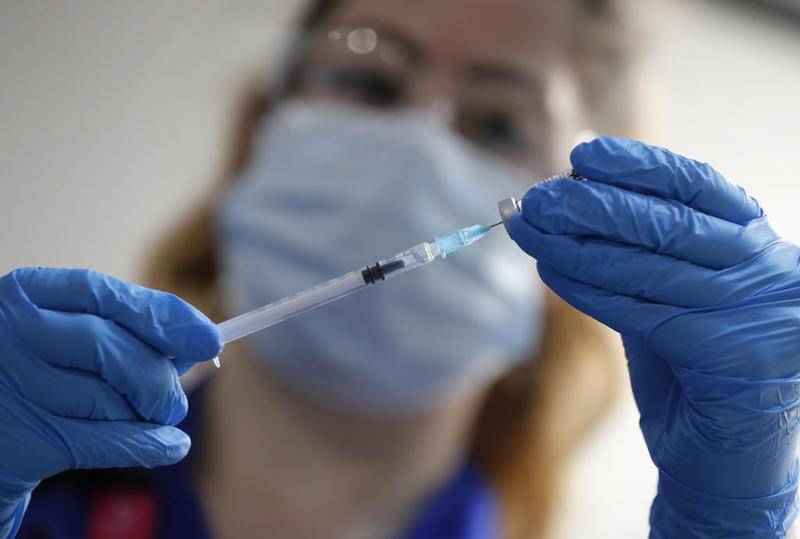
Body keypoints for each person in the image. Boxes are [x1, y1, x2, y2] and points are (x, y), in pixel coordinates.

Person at [1, 2, 798, 539]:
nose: (418, 143)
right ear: (257, 132)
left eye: (497, 124)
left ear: (580, 236)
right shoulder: (33, 476)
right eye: (369, 81)